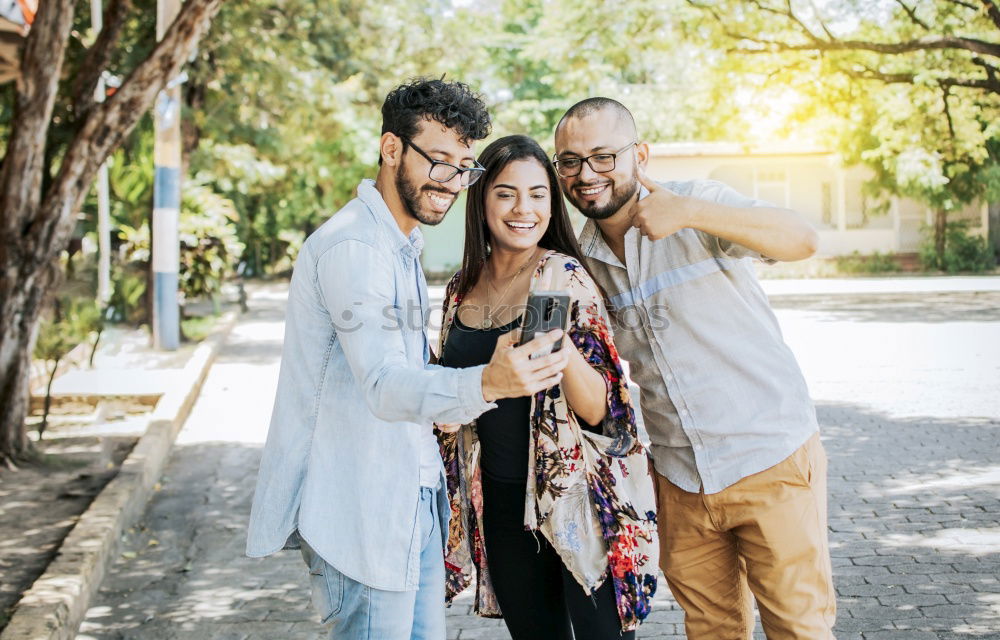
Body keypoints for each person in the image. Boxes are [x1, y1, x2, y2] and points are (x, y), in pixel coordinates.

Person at [245, 79, 572, 640]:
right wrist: (487, 384)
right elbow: (382, 383)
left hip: (409, 500)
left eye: (463, 166)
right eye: (438, 161)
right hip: (362, 509)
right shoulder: (357, 248)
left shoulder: (401, 246)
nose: (451, 181)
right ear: (391, 148)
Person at [552, 98, 835, 640]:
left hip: (768, 456)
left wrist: (691, 213)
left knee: (799, 629)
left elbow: (802, 239)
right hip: (679, 477)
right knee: (711, 631)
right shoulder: (581, 257)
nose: (586, 174)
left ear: (641, 155)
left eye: (603, 156)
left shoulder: (697, 203)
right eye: (570, 160)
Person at [436, 134, 658, 640]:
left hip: (571, 501)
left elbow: (603, 411)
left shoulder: (558, 276)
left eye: (538, 194)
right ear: (482, 199)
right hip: (501, 501)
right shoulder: (461, 287)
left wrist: (556, 338)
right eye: (506, 193)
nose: (524, 208)